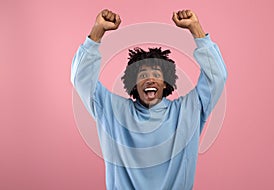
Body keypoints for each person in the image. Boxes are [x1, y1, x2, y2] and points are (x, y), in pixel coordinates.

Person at [71, 9, 227, 190]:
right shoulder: (112, 109)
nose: (150, 79)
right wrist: (97, 31)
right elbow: (80, 78)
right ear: (133, 83)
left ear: (166, 82)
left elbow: (217, 76)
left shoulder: (187, 110)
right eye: (143, 74)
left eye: (156, 74)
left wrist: (196, 30)